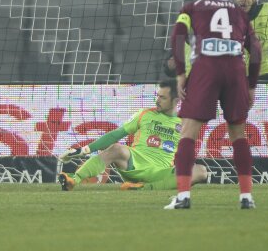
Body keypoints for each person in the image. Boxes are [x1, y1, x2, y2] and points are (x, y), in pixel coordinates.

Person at [166, 0, 261, 210]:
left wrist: (180, 74)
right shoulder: (240, 14)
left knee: (188, 133)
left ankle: (184, 195)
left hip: (205, 68)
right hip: (235, 69)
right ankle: (246, 197)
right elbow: (257, 50)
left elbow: (178, 37)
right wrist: (251, 85)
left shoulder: (191, 8)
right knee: (238, 134)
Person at [57, 79, 209, 192]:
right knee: (117, 148)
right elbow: (117, 134)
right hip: (134, 165)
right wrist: (83, 150)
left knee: (201, 171)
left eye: (162, 97)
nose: (157, 100)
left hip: (160, 172)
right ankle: (73, 180)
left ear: (176, 101)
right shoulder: (144, 114)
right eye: (157, 95)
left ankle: (143, 188)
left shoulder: (185, 122)